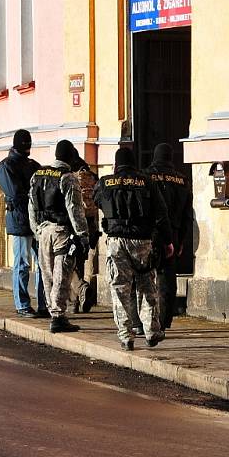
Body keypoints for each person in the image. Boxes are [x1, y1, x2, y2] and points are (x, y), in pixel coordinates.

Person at [94, 147, 173, 351]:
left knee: (120, 288)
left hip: (116, 242)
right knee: (147, 286)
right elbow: (161, 214)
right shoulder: (147, 182)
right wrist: (167, 240)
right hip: (142, 241)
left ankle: (126, 336)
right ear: (134, 163)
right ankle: (151, 331)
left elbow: (97, 201)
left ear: (116, 164)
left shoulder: (105, 182)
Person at [27, 140, 89, 333]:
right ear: (70, 158)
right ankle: (58, 316)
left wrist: (36, 229)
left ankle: (52, 311)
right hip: (62, 231)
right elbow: (74, 209)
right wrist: (83, 235)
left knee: (47, 274)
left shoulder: (37, 175)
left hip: (43, 230)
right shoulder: (68, 177)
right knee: (61, 274)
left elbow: (31, 205)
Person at [0, 129, 48, 318]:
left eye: (29, 143)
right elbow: (16, 193)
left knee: (43, 263)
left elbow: (42, 188)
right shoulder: (6, 166)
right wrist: (33, 195)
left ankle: (44, 304)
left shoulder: (33, 165)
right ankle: (22, 305)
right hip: (20, 221)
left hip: (37, 221)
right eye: (25, 143)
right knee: (22, 263)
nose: (28, 146)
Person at [145, 143, 192, 329]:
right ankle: (164, 320)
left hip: (148, 233)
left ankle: (145, 320)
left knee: (144, 278)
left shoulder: (145, 176)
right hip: (172, 233)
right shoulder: (182, 180)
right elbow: (187, 215)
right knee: (167, 278)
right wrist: (180, 240)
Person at [68, 146, 99, 313]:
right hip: (92, 225)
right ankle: (79, 301)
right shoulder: (93, 177)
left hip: (75, 226)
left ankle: (80, 292)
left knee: (69, 263)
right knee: (83, 261)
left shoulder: (71, 178)